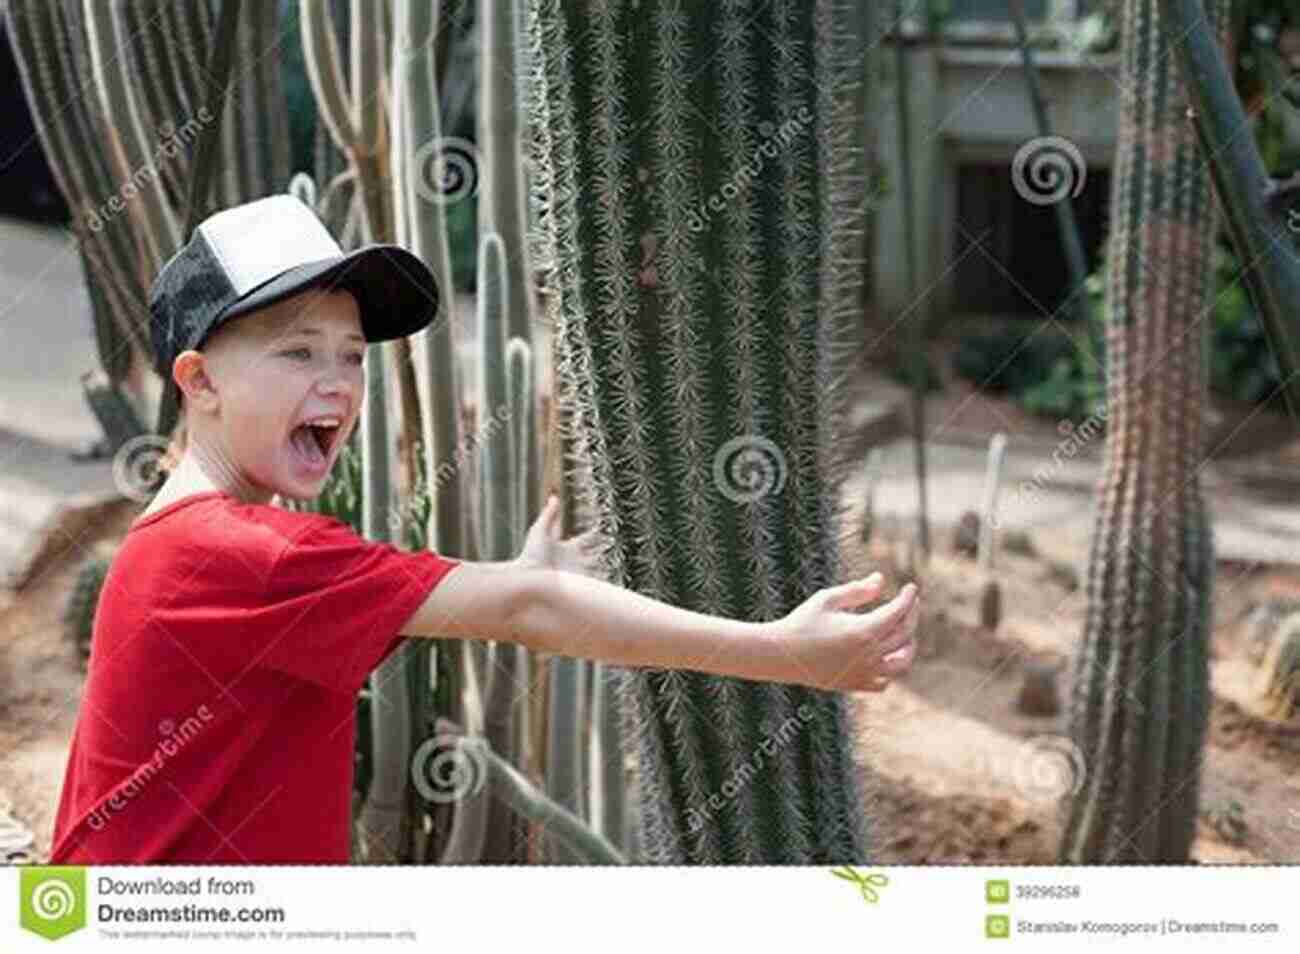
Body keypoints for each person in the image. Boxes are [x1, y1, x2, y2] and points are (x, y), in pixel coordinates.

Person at [48, 195, 920, 864]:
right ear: (198, 382)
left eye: (352, 355)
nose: (339, 384)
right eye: (297, 351)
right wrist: (784, 653)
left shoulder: (199, 542)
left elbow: (476, 600)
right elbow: (529, 609)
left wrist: (505, 574)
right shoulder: (240, 553)